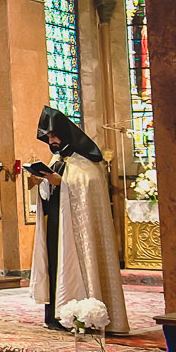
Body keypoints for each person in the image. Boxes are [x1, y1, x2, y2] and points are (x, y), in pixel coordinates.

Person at [24, 106, 129, 333]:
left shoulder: (86, 161)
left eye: (53, 136)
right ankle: (56, 316)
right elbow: (52, 187)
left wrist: (61, 182)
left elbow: (86, 185)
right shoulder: (57, 158)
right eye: (48, 137)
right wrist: (40, 182)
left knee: (70, 264)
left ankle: (81, 316)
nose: (51, 141)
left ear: (65, 134)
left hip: (75, 231)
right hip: (56, 223)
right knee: (54, 264)